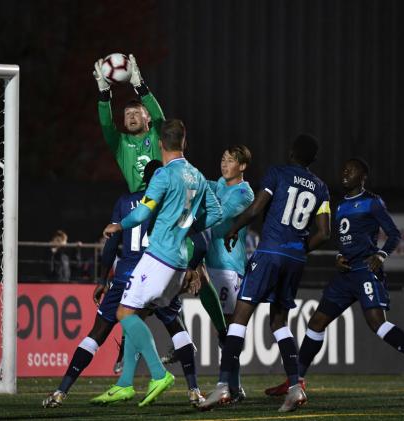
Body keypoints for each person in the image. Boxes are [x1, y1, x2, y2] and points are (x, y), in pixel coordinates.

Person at [264, 158, 404, 399]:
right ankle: (297, 380)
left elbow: (394, 234)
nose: (345, 171)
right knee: (316, 323)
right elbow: (344, 238)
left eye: (352, 169)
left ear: (363, 176)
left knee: (378, 324)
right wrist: (339, 255)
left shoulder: (372, 202)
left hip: (365, 272)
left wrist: (381, 254)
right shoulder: (339, 206)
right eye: (343, 168)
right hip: (345, 274)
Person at [43, 160, 206, 408]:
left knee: (98, 333)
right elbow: (199, 241)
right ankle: (193, 390)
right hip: (160, 271)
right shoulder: (171, 203)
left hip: (127, 275)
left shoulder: (125, 202)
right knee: (175, 327)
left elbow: (111, 244)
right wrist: (193, 267)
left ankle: (61, 392)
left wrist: (102, 278)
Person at [199, 134, 331, 413]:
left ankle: (223, 386)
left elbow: (256, 209)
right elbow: (324, 233)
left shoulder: (278, 173)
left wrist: (234, 229)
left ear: (292, 152)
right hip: (295, 259)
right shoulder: (321, 188)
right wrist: (298, 249)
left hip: (270, 253)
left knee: (239, 320)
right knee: (280, 323)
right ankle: (295, 387)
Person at [97, 119, 222, 407]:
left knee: (125, 313)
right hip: (179, 262)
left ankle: (158, 373)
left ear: (161, 145)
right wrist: (186, 225)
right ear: (184, 143)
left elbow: (141, 215)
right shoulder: (198, 176)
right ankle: (125, 384)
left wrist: (119, 225)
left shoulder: (164, 176)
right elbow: (215, 213)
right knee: (136, 314)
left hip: (158, 257)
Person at [189, 145, 254, 402]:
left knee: (227, 330)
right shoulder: (217, 185)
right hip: (208, 264)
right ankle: (233, 387)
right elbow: (197, 182)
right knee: (222, 330)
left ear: (242, 166)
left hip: (229, 267)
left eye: (230, 160)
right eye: (223, 159)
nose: (224, 164)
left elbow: (219, 215)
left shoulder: (243, 193)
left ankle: (229, 386)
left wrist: (187, 223)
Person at [93, 54, 163, 193]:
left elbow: (159, 118)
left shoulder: (157, 136)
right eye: (128, 114)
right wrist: (104, 93)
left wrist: (140, 86)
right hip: (135, 200)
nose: (131, 117)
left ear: (147, 118)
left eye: (136, 113)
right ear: (124, 122)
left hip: (162, 196)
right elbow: (106, 125)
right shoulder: (120, 144)